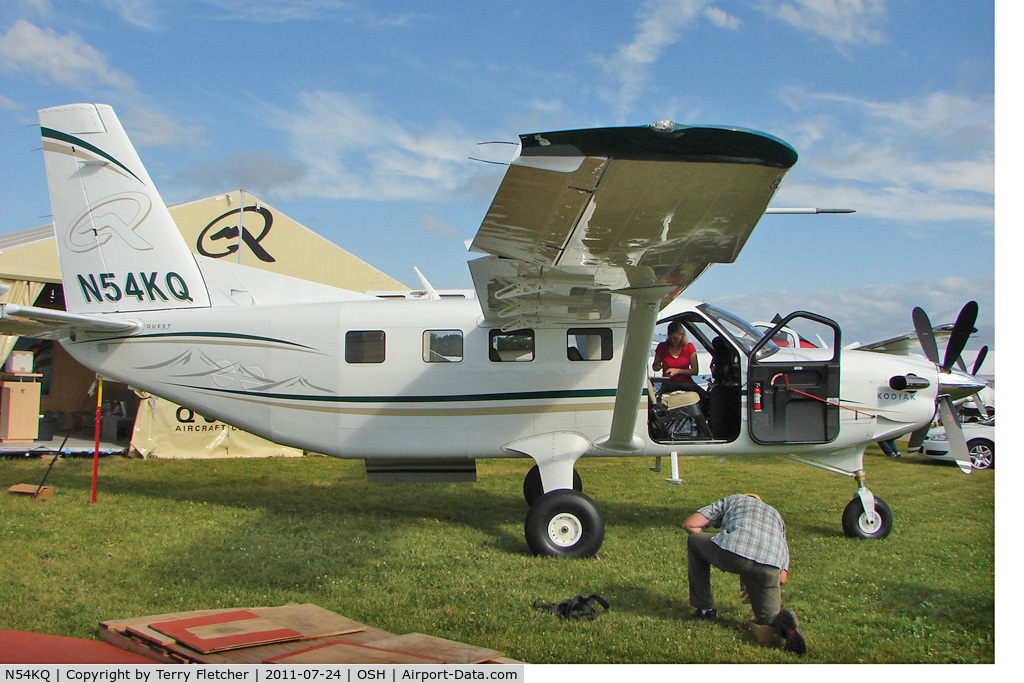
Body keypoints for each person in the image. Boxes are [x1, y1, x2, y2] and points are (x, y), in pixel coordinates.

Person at [683, 493, 806, 655]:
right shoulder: (776, 516)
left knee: (694, 542)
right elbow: (782, 577)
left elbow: (690, 525)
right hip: (770, 565)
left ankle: (705, 609)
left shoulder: (733, 500)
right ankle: (784, 625)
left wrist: (715, 538)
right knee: (767, 619)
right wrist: (754, 587)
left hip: (735, 550)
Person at [652, 322, 707, 400]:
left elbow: (695, 371)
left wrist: (677, 371)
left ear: (682, 335)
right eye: (670, 338)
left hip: (686, 383)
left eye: (675, 338)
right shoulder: (662, 347)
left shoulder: (689, 347)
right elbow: (655, 368)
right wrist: (658, 366)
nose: (673, 341)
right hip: (670, 384)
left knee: (699, 392)